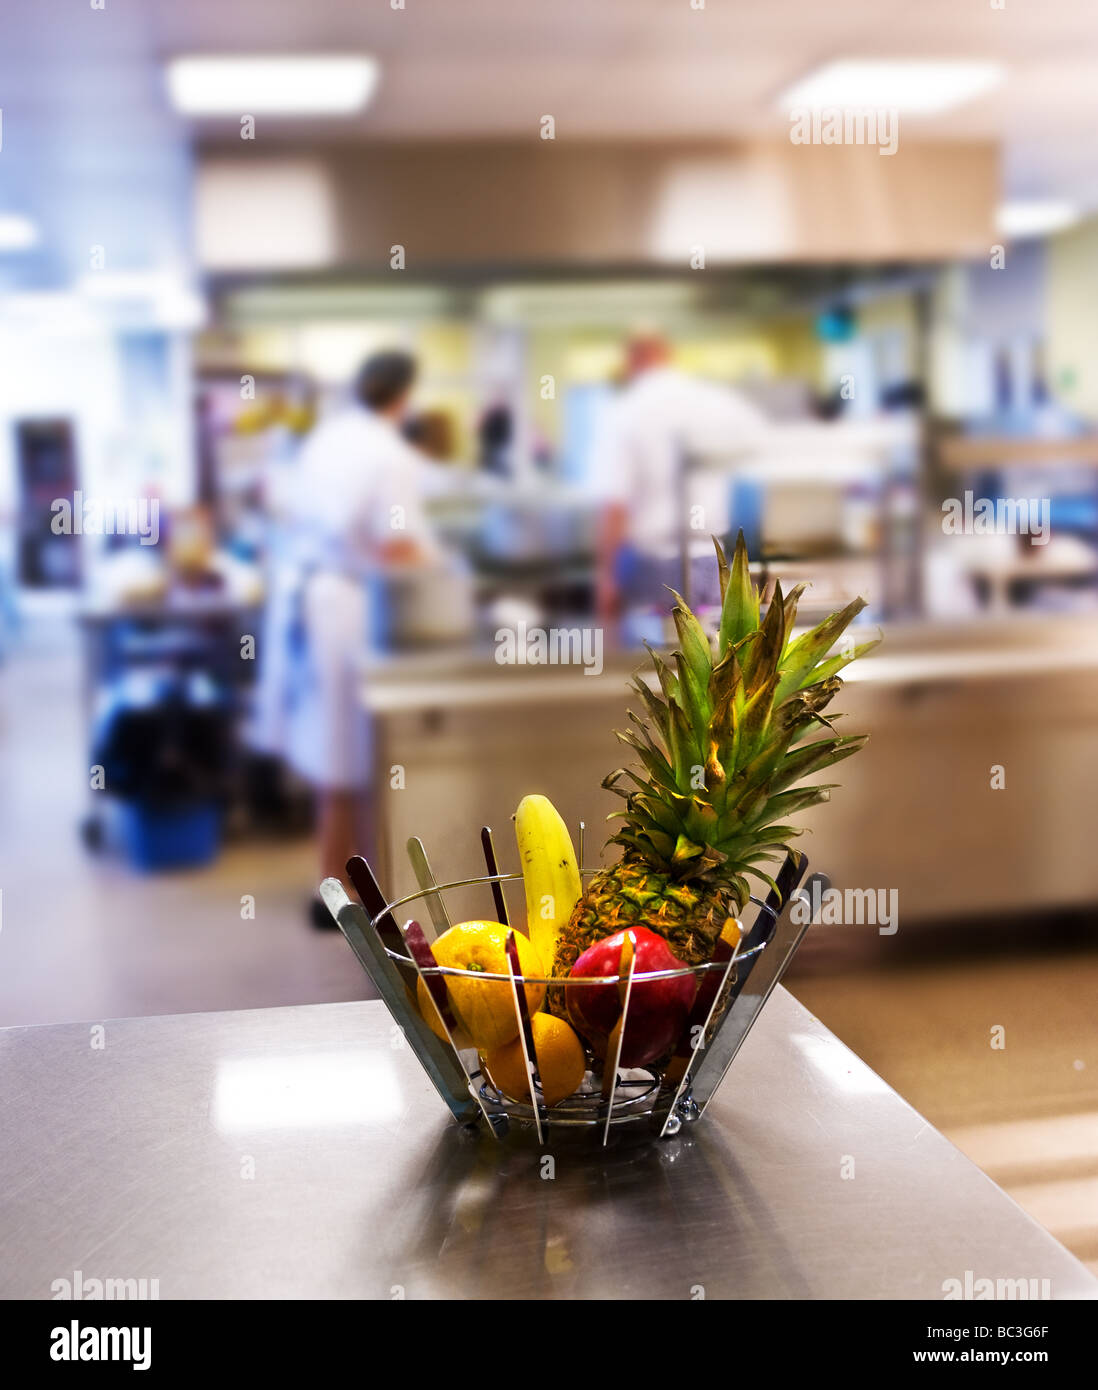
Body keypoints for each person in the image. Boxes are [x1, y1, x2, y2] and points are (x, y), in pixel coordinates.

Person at [253, 351, 441, 925]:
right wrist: (445, 567)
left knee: (335, 755)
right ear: (404, 397)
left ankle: (333, 885)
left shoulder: (328, 440)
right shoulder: (388, 452)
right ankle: (344, 894)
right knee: (354, 758)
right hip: (352, 608)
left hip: (314, 596)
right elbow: (397, 544)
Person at [592, 333, 769, 619]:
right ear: (667, 355)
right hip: (714, 561)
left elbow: (616, 504)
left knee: (657, 660)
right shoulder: (715, 400)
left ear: (632, 360)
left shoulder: (625, 411)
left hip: (655, 566)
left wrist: (606, 579)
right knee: (714, 658)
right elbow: (766, 447)